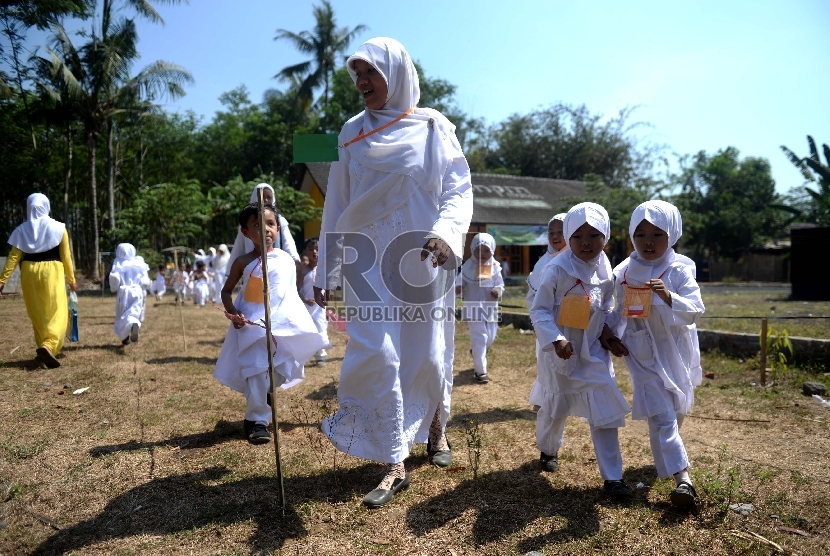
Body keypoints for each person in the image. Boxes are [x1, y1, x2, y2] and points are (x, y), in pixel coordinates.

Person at [313, 37, 473, 508]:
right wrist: (329, 268)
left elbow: (458, 190)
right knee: (378, 353)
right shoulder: (350, 133)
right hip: (367, 261)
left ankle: (437, 429)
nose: (361, 82)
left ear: (396, 73)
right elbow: (338, 204)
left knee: (426, 352)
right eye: (356, 74)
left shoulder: (434, 127)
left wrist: (447, 233)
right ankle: (393, 458)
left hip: (423, 258)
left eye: (370, 72)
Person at [603, 200, 704, 507]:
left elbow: (696, 309)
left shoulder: (680, 269)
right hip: (642, 355)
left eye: (657, 234)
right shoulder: (623, 273)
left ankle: (666, 463)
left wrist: (668, 295)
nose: (648, 241)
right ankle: (683, 480)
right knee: (663, 417)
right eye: (641, 233)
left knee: (676, 411)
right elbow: (616, 312)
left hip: (677, 353)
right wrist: (610, 336)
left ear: (672, 234)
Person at [529, 202, 632, 498]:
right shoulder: (557, 269)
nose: (586, 243)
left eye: (594, 235)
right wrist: (556, 339)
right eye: (577, 236)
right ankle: (548, 450)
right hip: (562, 353)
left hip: (594, 355)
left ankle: (613, 478)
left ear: (607, 236)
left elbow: (603, 309)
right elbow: (540, 312)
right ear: (569, 237)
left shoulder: (605, 269)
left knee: (604, 411)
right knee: (554, 409)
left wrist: (608, 335)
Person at [214, 203, 328, 444]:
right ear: (245, 232)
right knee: (255, 369)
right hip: (252, 325)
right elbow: (226, 292)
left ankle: (262, 398)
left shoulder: (286, 260)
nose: (265, 229)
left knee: (276, 374)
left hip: (282, 326)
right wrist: (233, 313)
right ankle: (257, 422)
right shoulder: (243, 262)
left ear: (277, 228)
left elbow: (289, 291)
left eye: (270, 223)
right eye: (257, 225)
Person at [0, 193, 76, 368]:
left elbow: (13, 258)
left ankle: (44, 351)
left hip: (29, 272)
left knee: (38, 314)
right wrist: (71, 280)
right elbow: (66, 257)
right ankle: (48, 346)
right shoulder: (59, 228)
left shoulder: (21, 230)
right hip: (52, 272)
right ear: (47, 206)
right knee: (57, 313)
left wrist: (2, 281)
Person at [527, 214, 567, 413]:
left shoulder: (581, 260)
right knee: (546, 362)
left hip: (573, 322)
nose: (555, 236)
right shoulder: (543, 263)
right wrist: (537, 322)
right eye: (551, 233)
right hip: (547, 322)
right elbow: (532, 296)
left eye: (561, 232)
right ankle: (544, 399)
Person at [456, 233, 503, 384]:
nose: (482, 254)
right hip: (473, 307)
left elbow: (500, 284)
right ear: (472, 250)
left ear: (492, 250)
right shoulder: (467, 267)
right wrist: (458, 288)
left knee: (490, 337)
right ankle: (480, 371)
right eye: (478, 250)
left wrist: (497, 291)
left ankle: (476, 351)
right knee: (480, 337)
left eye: (486, 250)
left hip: (490, 308)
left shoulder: (495, 267)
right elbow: (459, 282)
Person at [229, 184, 300, 271]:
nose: (265, 200)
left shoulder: (280, 220)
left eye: (269, 197)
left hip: (277, 267)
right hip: (253, 268)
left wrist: (295, 261)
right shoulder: (247, 222)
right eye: (262, 197)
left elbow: (288, 243)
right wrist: (230, 271)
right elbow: (238, 247)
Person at [109, 243, 151, 345]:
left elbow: (115, 278)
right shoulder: (139, 263)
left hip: (124, 292)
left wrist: (113, 288)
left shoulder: (118, 263)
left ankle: (125, 337)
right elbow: (145, 279)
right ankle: (134, 324)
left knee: (122, 315)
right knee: (134, 312)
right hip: (137, 291)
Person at [297, 237, 329, 366]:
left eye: (317, 249)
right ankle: (301, 356)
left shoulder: (323, 270)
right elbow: (297, 290)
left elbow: (328, 286)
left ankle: (320, 355)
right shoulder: (303, 271)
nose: (314, 252)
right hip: (306, 308)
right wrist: (305, 299)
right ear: (305, 252)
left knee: (321, 328)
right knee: (306, 331)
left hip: (319, 308)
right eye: (311, 249)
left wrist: (328, 295)